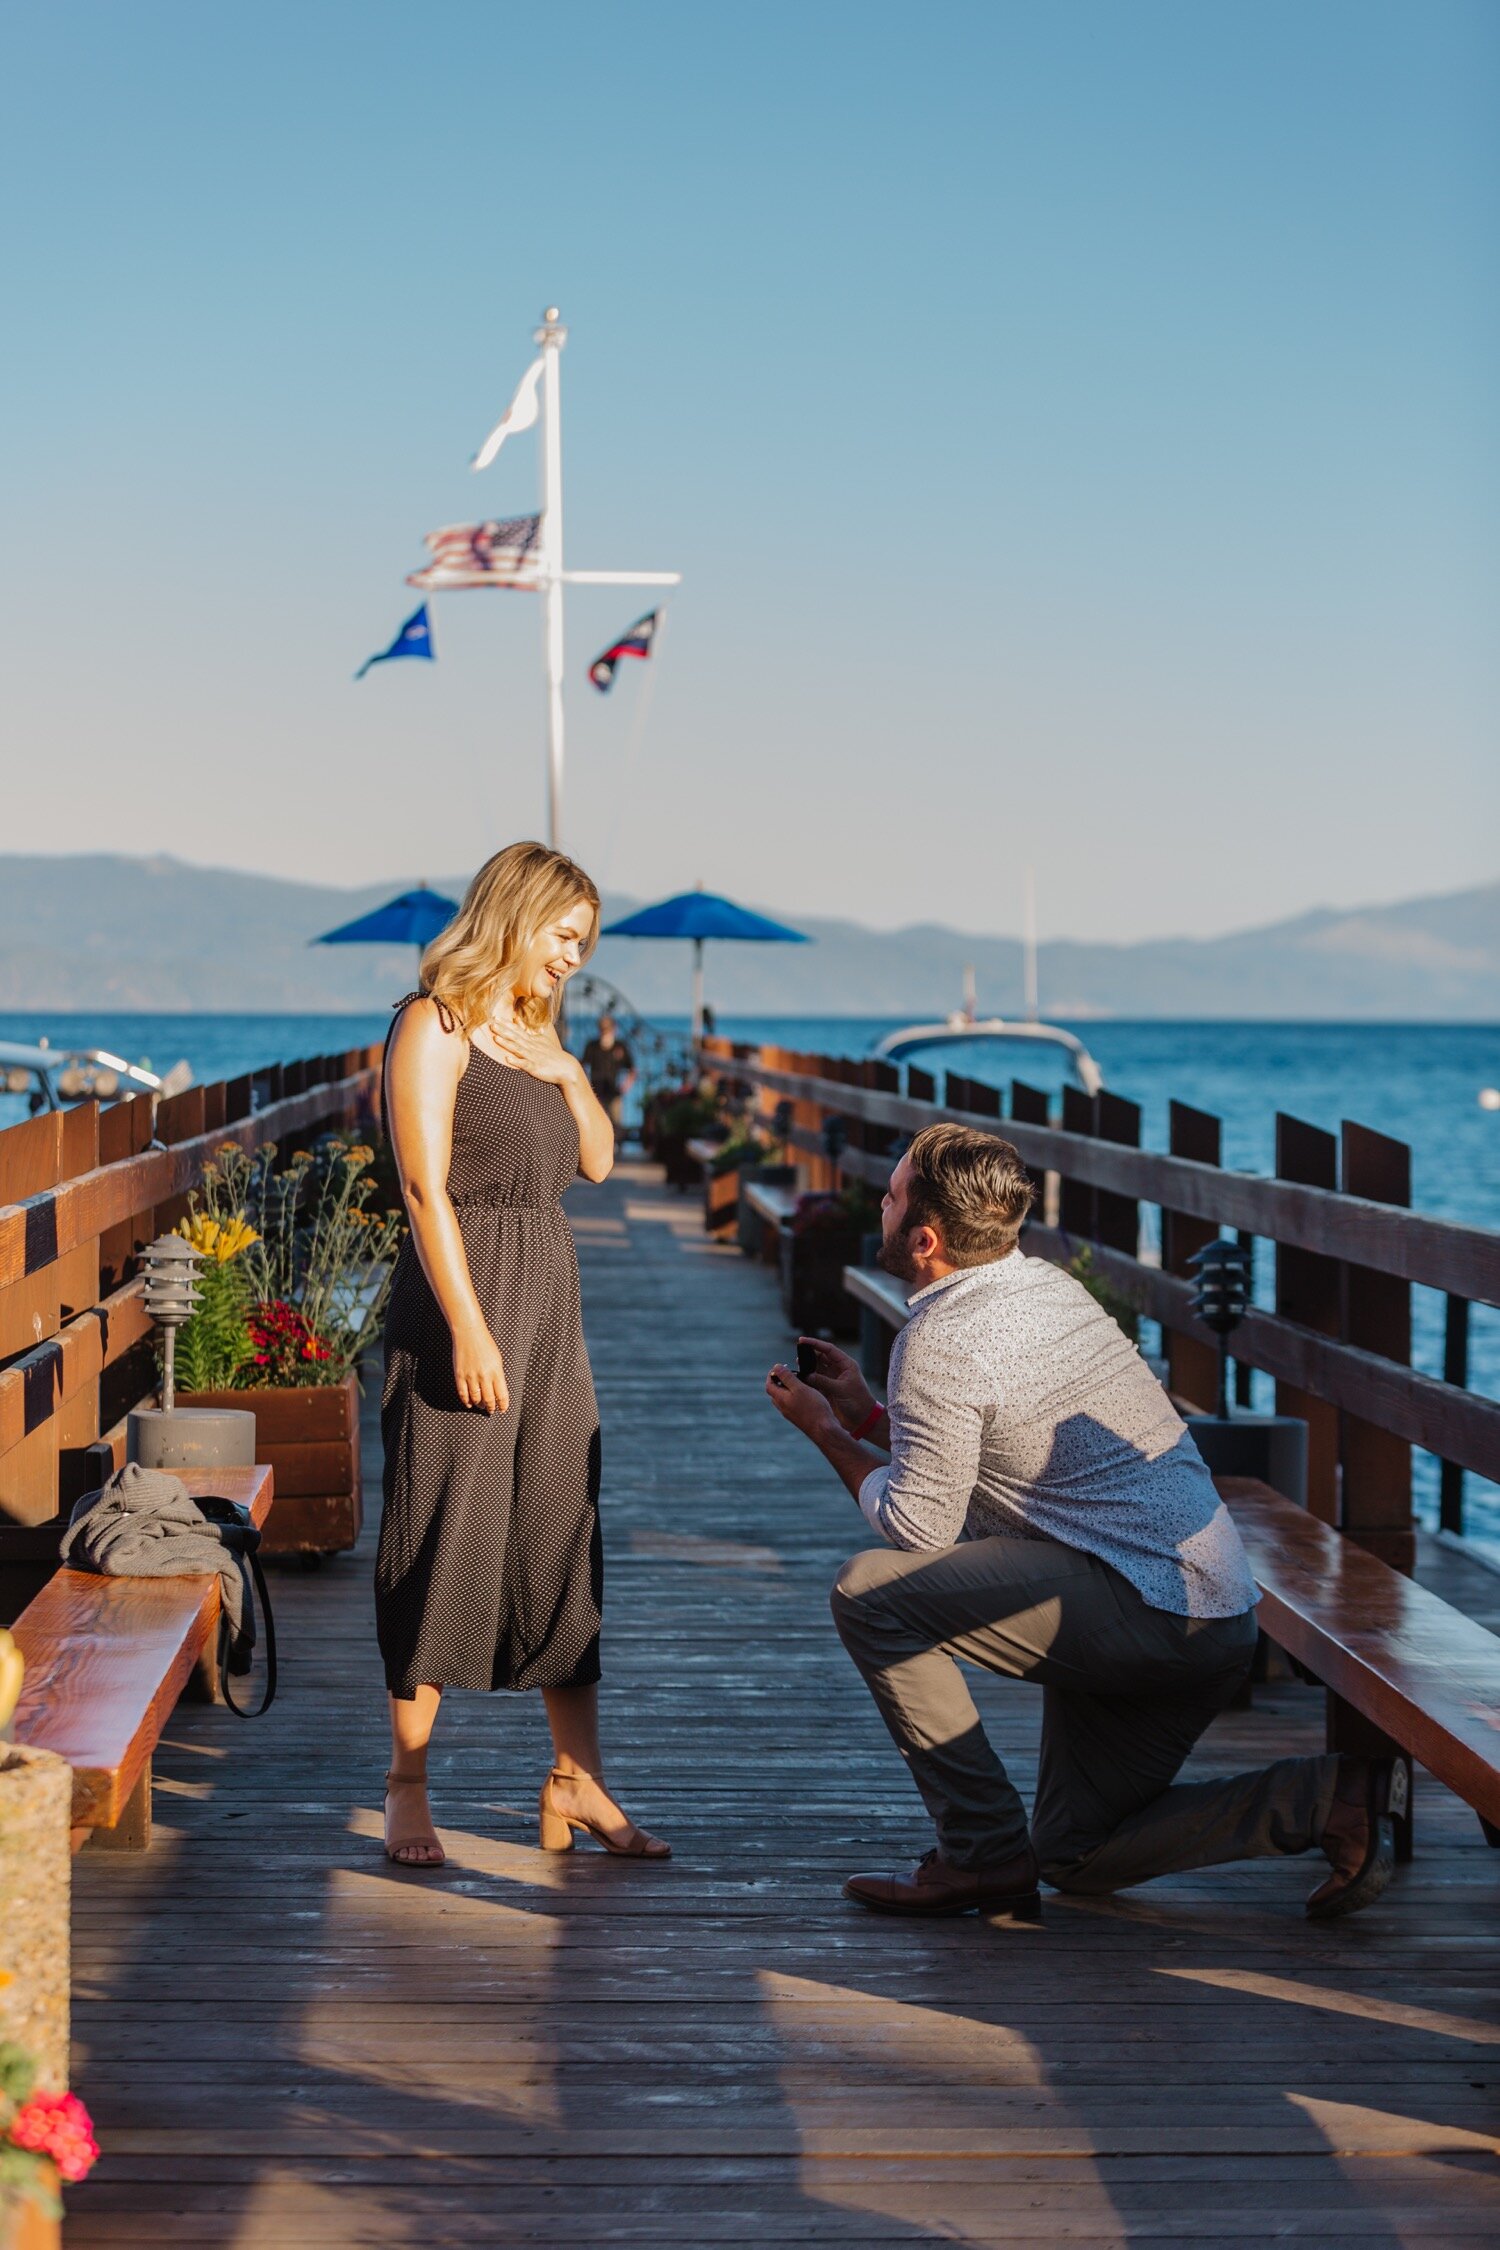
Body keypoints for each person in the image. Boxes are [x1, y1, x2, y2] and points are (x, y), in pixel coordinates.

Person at [765, 1121, 1399, 1924]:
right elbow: (982, 1446)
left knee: (870, 1595)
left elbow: (917, 1526)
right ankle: (1329, 1798)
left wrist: (822, 1433)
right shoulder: (1044, 1287)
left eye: (889, 1198)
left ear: (923, 1239)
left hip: (1148, 1607)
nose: (878, 1204)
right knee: (1077, 1853)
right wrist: (864, 1417)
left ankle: (980, 1851)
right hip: (1215, 1615)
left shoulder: (940, 1338)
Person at [376, 841, 669, 1869]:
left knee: (559, 1530)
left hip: (548, 1304)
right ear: (516, 913)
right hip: (465, 1299)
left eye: (583, 943)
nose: (573, 958)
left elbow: (595, 1161)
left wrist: (570, 1070)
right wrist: (465, 1326)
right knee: (442, 1529)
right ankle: (407, 1786)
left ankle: (575, 1783)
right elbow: (421, 1188)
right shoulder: (434, 1023)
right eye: (563, 935)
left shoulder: (538, 1030)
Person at [581, 1013, 635, 1134]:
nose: (605, 1032)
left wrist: (625, 1086)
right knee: (596, 1123)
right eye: (602, 1029)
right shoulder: (592, 1046)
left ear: (613, 1029)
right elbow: (582, 1066)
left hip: (614, 1091)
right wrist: (586, 1086)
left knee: (616, 1123)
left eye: (607, 1029)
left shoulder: (620, 1046)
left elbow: (632, 1069)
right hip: (596, 1092)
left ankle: (617, 1146)